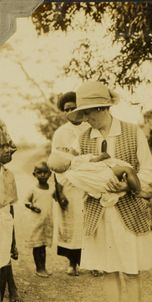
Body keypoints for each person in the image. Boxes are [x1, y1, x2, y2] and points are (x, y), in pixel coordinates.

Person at [67, 80, 152, 302]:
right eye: (83, 114)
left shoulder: (132, 132)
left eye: (91, 112)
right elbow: (70, 172)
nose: (87, 118)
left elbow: (148, 172)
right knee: (108, 267)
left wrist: (126, 185)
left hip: (127, 210)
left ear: (104, 107)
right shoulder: (83, 138)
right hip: (98, 210)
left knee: (130, 269)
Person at [51, 92, 88, 276]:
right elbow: (55, 163)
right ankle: (72, 263)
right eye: (67, 109)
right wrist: (59, 191)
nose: (71, 111)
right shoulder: (60, 133)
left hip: (89, 181)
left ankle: (91, 262)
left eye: (74, 107)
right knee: (72, 224)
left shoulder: (91, 128)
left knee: (90, 222)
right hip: (68, 183)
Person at [47, 149, 152, 207]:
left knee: (125, 173)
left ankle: (132, 187)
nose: (68, 150)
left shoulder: (69, 176)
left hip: (102, 185)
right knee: (128, 170)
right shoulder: (76, 162)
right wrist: (101, 156)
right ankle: (138, 192)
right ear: (66, 159)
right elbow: (93, 162)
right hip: (105, 174)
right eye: (65, 151)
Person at [0, 121, 19, 302]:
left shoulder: (8, 175)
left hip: (3, 221)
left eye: (8, 146)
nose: (8, 150)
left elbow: (10, 209)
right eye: (2, 146)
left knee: (2, 262)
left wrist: (13, 241)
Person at [24, 162, 53, 278]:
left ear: (50, 174)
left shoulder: (51, 189)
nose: (42, 175)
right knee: (37, 246)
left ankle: (43, 267)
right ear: (34, 174)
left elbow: (58, 198)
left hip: (46, 222)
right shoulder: (33, 189)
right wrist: (32, 207)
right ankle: (39, 268)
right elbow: (26, 201)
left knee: (43, 245)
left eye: (45, 172)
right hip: (36, 222)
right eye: (39, 172)